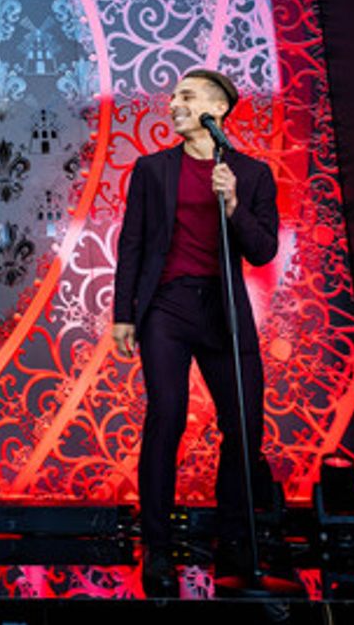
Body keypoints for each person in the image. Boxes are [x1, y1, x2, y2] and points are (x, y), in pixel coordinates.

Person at [110, 68, 279, 591]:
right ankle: (158, 548)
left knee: (245, 426)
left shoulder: (251, 174)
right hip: (167, 307)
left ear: (218, 108)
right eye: (174, 96)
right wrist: (123, 314)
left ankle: (234, 541)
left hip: (223, 309)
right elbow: (132, 243)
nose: (174, 104)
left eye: (186, 95)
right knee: (167, 417)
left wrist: (233, 204)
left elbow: (263, 250)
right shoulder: (153, 169)